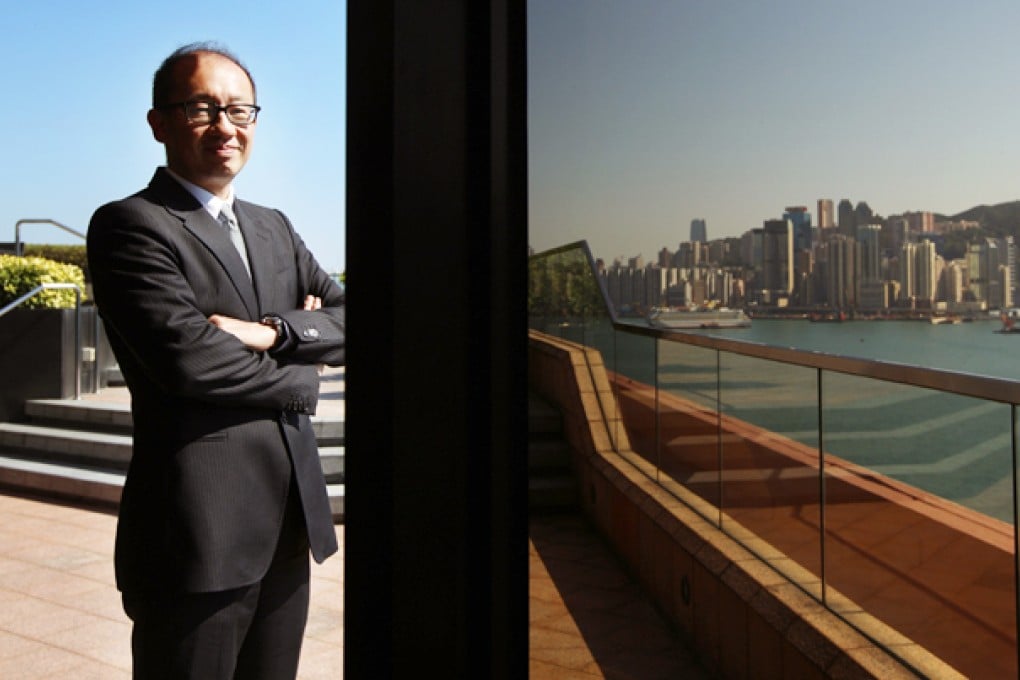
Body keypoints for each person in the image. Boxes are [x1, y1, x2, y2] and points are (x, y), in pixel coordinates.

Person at [87, 42, 344, 679]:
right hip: (198, 533)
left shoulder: (274, 227)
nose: (226, 127)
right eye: (202, 108)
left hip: (288, 522)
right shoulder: (132, 225)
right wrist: (305, 368)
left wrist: (272, 332)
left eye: (240, 110)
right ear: (160, 123)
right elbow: (190, 363)